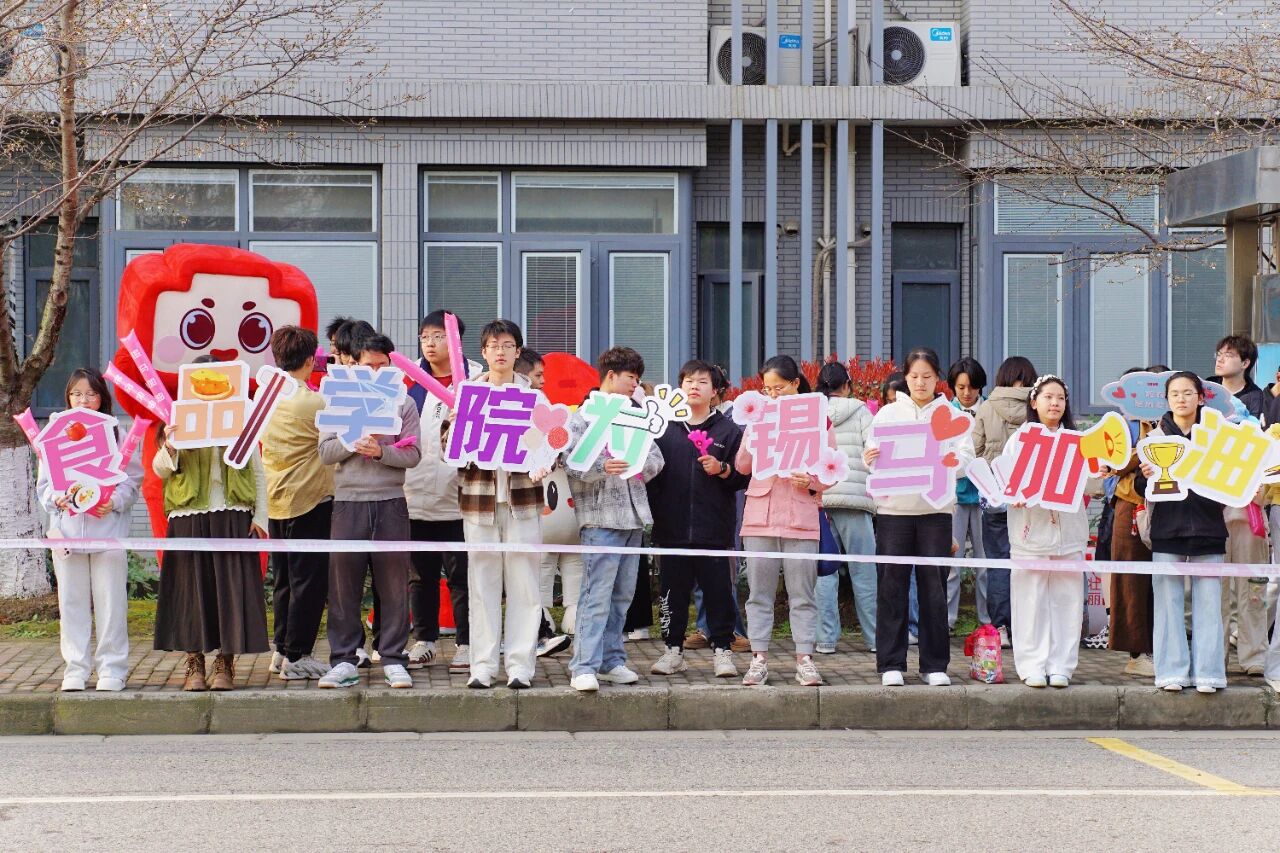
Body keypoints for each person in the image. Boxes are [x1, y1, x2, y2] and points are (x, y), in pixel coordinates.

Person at [153, 356, 270, 692]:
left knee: (229, 590)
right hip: (188, 516)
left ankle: (225, 662)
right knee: (191, 590)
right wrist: (170, 444)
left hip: (233, 513)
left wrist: (260, 517)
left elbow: (257, 470)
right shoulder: (179, 419)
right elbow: (161, 469)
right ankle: (194, 662)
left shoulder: (240, 418)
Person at [864, 347, 975, 687]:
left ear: (937, 378)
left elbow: (966, 456)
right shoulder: (887, 414)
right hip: (894, 511)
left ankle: (934, 664)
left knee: (933, 587)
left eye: (927, 376)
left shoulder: (952, 415)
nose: (921, 383)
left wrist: (950, 463)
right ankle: (891, 663)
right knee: (891, 586)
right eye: (914, 376)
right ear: (905, 378)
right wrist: (869, 457)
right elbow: (872, 455)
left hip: (936, 511)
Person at [317, 332, 422, 690]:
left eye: (382, 365)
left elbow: (414, 455)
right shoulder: (339, 399)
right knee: (343, 586)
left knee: (394, 585)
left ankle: (393, 657)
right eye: (368, 365)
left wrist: (381, 452)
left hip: (391, 501)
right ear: (354, 365)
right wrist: (353, 440)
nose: (376, 372)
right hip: (348, 503)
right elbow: (325, 452)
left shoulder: (404, 403)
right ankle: (344, 659)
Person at [450, 319, 545, 690]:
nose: (500, 352)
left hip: (523, 500)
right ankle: (483, 665)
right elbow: (448, 449)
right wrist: (457, 426)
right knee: (482, 584)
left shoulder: (534, 397)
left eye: (507, 345)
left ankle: (521, 665)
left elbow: (551, 441)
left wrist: (542, 459)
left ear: (518, 351)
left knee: (525, 585)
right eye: (493, 345)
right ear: (484, 352)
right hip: (480, 501)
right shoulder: (467, 394)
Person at [563, 347, 664, 692]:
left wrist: (639, 465)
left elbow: (656, 458)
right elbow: (569, 460)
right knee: (597, 594)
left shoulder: (635, 414)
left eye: (637, 378)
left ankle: (611, 660)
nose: (635, 385)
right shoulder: (583, 416)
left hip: (633, 516)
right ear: (611, 375)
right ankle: (583, 665)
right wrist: (602, 466)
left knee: (622, 595)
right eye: (630, 378)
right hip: (599, 517)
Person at [38, 368, 143, 692]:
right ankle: (76, 669)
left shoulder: (116, 434)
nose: (83, 400)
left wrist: (114, 502)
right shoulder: (54, 435)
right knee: (71, 602)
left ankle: (112, 668)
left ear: (102, 398)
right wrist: (57, 498)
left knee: (111, 603)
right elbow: (44, 486)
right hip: (67, 534)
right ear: (68, 398)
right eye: (76, 394)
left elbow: (132, 480)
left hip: (107, 533)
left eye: (91, 394)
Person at [736, 355, 836, 687]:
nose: (773, 394)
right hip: (760, 514)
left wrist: (812, 480)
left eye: (779, 388)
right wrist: (752, 433)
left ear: (795, 384)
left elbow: (833, 468)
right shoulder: (759, 418)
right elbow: (742, 466)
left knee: (802, 593)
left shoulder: (818, 419)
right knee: (758, 593)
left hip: (800, 513)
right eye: (767, 389)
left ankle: (804, 658)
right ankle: (758, 659)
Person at [647, 359, 749, 678]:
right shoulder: (664, 428)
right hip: (671, 527)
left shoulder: (728, 431)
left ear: (715, 391)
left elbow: (743, 477)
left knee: (719, 592)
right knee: (672, 593)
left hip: (714, 529)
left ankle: (722, 650)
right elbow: (650, 475)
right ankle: (673, 651)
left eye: (702, 382)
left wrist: (723, 469)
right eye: (688, 381)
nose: (694, 386)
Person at [1136, 372, 1228, 693]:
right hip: (1167, 528)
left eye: (1188, 393)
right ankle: (1171, 672)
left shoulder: (1216, 435)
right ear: (1166, 399)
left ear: (1201, 398)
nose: (1181, 399)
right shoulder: (1153, 437)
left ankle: (1209, 674)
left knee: (1209, 603)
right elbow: (1140, 486)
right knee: (1167, 602)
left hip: (1209, 527)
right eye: (1174, 393)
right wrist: (1146, 473)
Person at [404, 310, 483, 672]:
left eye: (438, 336)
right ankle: (424, 640)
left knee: (462, 576)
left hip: (460, 498)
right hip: (415, 493)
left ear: (455, 340)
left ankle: (467, 643)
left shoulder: (476, 379)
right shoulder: (409, 380)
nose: (430, 344)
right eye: (424, 337)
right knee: (419, 576)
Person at [1007, 375, 1091, 688]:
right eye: (1048, 397)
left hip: (1069, 534)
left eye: (1060, 398)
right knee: (1030, 601)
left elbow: (1092, 482)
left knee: (1068, 602)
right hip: (1030, 534)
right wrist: (1013, 493)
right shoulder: (1020, 439)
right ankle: (1031, 665)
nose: (1055, 403)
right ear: (1034, 401)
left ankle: (1062, 666)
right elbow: (1007, 481)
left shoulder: (1078, 441)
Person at [261, 327, 335, 681]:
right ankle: (297, 656)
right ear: (309, 360)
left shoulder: (266, 397)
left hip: (275, 498)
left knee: (284, 581)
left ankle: (281, 650)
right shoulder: (314, 403)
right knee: (309, 583)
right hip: (309, 499)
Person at [1208, 335, 1271, 676]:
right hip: (1209, 503)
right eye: (1218, 354)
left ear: (1245, 363)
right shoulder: (1204, 395)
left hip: (1248, 501)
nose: (1220, 359)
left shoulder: (1261, 400)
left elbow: (1271, 447)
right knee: (1212, 586)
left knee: (1252, 584)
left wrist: (1263, 490)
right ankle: (1213, 656)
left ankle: (1253, 656)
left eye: (1229, 355)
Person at [971, 355, 1038, 648]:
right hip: (1031, 499)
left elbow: (974, 450)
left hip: (996, 496)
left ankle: (1000, 628)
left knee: (998, 563)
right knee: (1030, 563)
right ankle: (1027, 627)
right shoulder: (1037, 408)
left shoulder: (986, 407)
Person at [1099, 366, 1158, 677]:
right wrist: (1146, 447)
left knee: (1164, 582)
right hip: (1130, 506)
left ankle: (1162, 648)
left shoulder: (1170, 422)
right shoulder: (1119, 424)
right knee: (1131, 580)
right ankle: (1136, 653)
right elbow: (1111, 463)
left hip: (1167, 508)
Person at [815, 361, 877, 654]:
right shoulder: (862, 411)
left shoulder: (813, 412)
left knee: (824, 573)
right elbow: (873, 452)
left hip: (822, 501)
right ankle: (875, 639)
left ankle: (826, 640)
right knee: (864, 572)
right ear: (847, 386)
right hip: (855, 502)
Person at [514, 347, 572, 658]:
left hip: (528, 501)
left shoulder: (541, 406)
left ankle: (539, 632)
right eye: (538, 375)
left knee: (527, 573)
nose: (543, 381)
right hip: (501, 503)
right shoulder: (511, 404)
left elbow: (549, 448)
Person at [947, 356, 988, 631]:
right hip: (956, 496)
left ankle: (988, 621)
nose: (966, 393)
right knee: (952, 561)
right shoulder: (945, 413)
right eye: (961, 387)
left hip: (985, 496)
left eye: (972, 387)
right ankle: (947, 620)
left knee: (985, 563)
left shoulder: (990, 411)